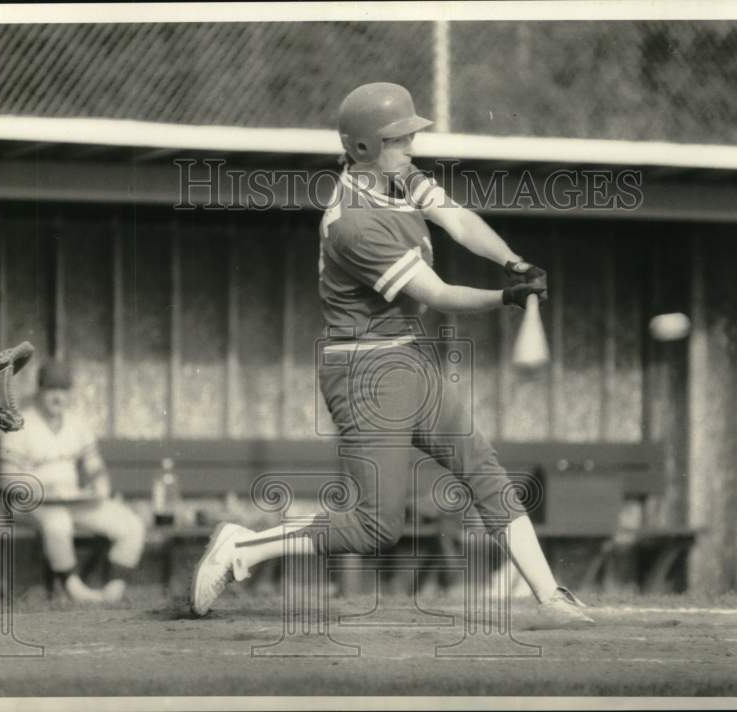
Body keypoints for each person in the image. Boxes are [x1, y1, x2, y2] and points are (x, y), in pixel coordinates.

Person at [191, 82, 592, 625]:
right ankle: (243, 548)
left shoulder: (399, 177)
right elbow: (437, 294)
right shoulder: (354, 223)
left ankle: (550, 597)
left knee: (482, 468)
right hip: (364, 372)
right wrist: (505, 299)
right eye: (398, 138)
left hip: (407, 357)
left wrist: (512, 262)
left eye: (408, 136)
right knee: (374, 526)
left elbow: (458, 219)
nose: (410, 146)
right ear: (363, 147)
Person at [0, 359, 145, 604]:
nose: (59, 397)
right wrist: (40, 489)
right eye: (52, 390)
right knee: (58, 523)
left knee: (131, 524)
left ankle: (113, 590)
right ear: (39, 391)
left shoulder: (77, 423)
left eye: (64, 391)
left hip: (72, 499)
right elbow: (6, 479)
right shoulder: (19, 424)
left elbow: (94, 465)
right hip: (30, 503)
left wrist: (100, 484)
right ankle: (74, 590)